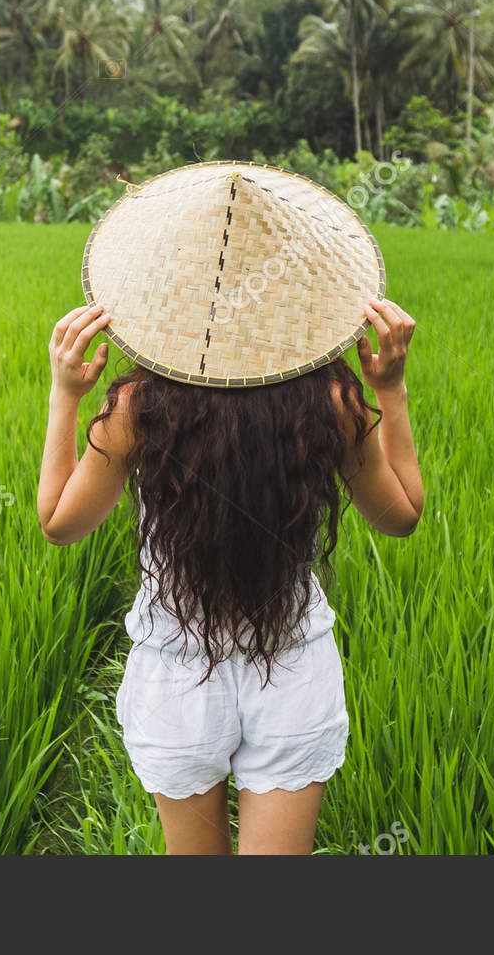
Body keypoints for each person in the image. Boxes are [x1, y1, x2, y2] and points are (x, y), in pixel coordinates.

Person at [37, 277, 422, 853]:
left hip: (178, 672)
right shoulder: (329, 405)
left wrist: (64, 392)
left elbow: (59, 523)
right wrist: (390, 388)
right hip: (290, 663)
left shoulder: (140, 408)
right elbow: (403, 515)